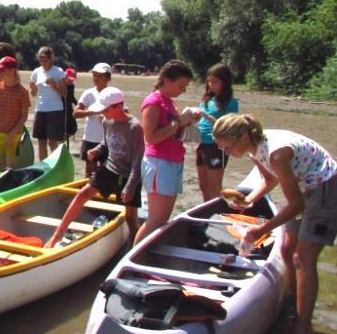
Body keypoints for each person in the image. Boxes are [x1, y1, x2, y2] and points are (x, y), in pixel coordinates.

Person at [213, 113, 337, 334]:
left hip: (325, 188)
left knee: (303, 259)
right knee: (286, 249)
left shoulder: (277, 154)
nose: (227, 153)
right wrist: (249, 200)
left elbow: (296, 205)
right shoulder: (254, 148)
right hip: (303, 186)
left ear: (243, 136)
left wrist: (260, 230)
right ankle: (295, 302)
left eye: (229, 147)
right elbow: (269, 180)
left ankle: (303, 327)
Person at [44, 87, 143, 247]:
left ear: (118, 107)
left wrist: (130, 186)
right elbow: (107, 142)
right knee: (82, 195)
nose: (102, 113)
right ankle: (56, 236)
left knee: (131, 218)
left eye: (105, 109)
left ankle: (134, 248)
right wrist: (97, 150)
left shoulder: (135, 127)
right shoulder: (106, 121)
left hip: (129, 175)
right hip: (109, 169)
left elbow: (138, 159)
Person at [134, 60, 199, 245]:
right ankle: (132, 257)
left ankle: (146, 253)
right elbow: (151, 137)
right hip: (159, 163)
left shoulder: (169, 102)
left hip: (172, 161)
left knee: (162, 219)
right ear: (167, 80)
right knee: (155, 219)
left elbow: (172, 131)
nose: (183, 90)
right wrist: (179, 122)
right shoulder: (153, 102)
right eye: (181, 85)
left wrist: (187, 122)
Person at [195, 63, 240, 201]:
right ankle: (206, 215)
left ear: (225, 82)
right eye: (209, 81)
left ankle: (217, 217)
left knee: (214, 187)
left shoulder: (230, 102)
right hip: (201, 144)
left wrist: (208, 117)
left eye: (215, 82)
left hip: (216, 146)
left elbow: (230, 127)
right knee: (203, 186)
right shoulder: (207, 99)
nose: (211, 85)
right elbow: (200, 121)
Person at [74, 63, 113, 177]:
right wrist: (93, 112)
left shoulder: (113, 94)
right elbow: (76, 113)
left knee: (107, 173)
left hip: (108, 140)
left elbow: (124, 116)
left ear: (108, 78)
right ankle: (88, 194)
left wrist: (108, 117)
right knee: (89, 172)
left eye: (99, 76)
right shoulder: (89, 93)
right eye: (94, 75)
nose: (96, 78)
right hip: (90, 138)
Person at [29, 46, 67, 160]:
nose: (43, 62)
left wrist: (54, 85)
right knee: (41, 141)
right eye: (40, 60)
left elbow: (65, 93)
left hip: (55, 109)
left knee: (52, 141)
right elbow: (33, 94)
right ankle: (43, 166)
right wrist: (33, 87)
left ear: (51, 59)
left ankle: (55, 164)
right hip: (40, 109)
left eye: (45, 59)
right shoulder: (36, 72)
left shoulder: (58, 71)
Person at [63, 67, 79, 148]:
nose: (71, 81)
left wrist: (78, 104)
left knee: (74, 128)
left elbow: (72, 97)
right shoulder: (61, 85)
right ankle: (60, 142)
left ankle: (62, 141)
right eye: (69, 79)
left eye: (72, 79)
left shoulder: (72, 86)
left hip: (69, 109)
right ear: (65, 76)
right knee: (64, 128)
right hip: (61, 110)